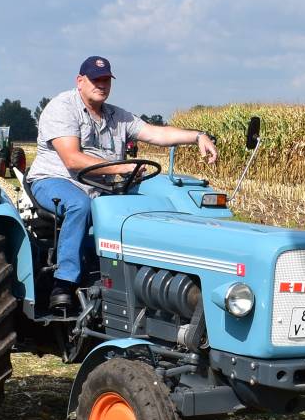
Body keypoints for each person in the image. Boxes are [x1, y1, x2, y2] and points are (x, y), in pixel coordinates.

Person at [25, 55, 217, 311]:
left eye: (106, 80)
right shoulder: (62, 107)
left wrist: (198, 136)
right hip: (55, 180)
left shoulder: (117, 116)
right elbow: (72, 159)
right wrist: (121, 168)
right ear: (80, 81)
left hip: (99, 187)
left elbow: (156, 133)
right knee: (80, 205)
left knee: (143, 209)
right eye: (95, 79)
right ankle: (64, 283)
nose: (101, 84)